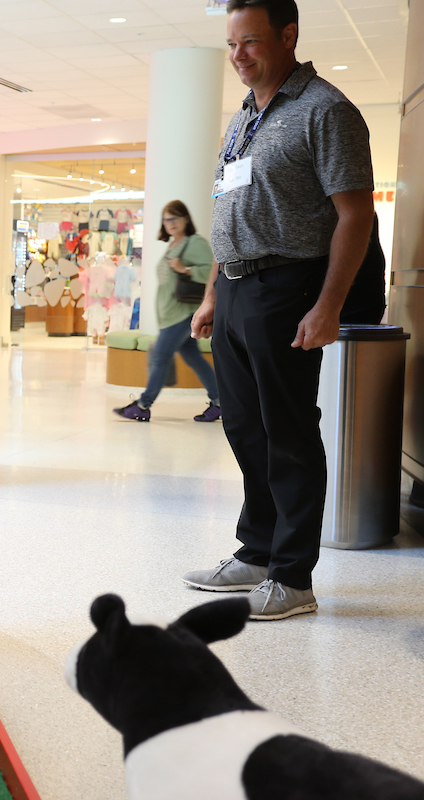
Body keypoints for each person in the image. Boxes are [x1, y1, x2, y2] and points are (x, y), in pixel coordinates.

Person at [184, 0, 375, 621]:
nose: (238, 56)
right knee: (245, 428)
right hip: (237, 289)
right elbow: (227, 208)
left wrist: (328, 304)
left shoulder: (326, 110)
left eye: (251, 42)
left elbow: (355, 215)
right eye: (231, 44)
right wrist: (212, 293)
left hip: (290, 288)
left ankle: (293, 577)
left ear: (288, 35)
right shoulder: (245, 116)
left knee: (288, 433)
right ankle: (259, 549)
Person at [114, 200, 220, 422]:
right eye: (165, 220)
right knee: (194, 358)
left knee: (160, 357)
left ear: (185, 219)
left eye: (174, 218)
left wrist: (185, 269)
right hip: (171, 313)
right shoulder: (174, 244)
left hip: (183, 313)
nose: (170, 223)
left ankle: (143, 405)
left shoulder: (194, 242)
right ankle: (220, 401)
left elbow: (211, 270)